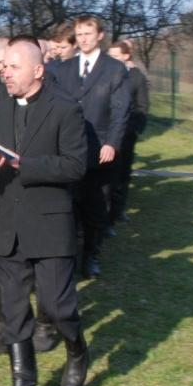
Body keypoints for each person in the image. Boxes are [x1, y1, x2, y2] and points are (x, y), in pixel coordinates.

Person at [0, 39, 90, 386]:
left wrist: (23, 164)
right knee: (13, 309)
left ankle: (76, 350)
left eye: (13, 66)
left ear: (38, 71)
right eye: (3, 66)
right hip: (7, 223)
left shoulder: (66, 109)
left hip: (49, 224)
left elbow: (75, 166)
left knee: (57, 306)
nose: (5, 72)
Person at [45, 14, 130, 277]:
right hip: (69, 150)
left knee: (94, 209)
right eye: (79, 34)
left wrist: (112, 144)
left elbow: (121, 111)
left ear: (100, 36)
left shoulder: (114, 69)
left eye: (88, 34)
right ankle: (67, 256)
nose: (83, 39)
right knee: (68, 208)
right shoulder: (63, 68)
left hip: (99, 152)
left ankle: (91, 255)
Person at [107, 39, 150, 224]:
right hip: (105, 134)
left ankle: (118, 211)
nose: (113, 60)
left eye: (116, 56)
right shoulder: (104, 74)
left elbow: (142, 106)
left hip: (126, 135)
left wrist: (133, 130)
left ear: (126, 56)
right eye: (110, 56)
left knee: (122, 174)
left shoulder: (136, 77)